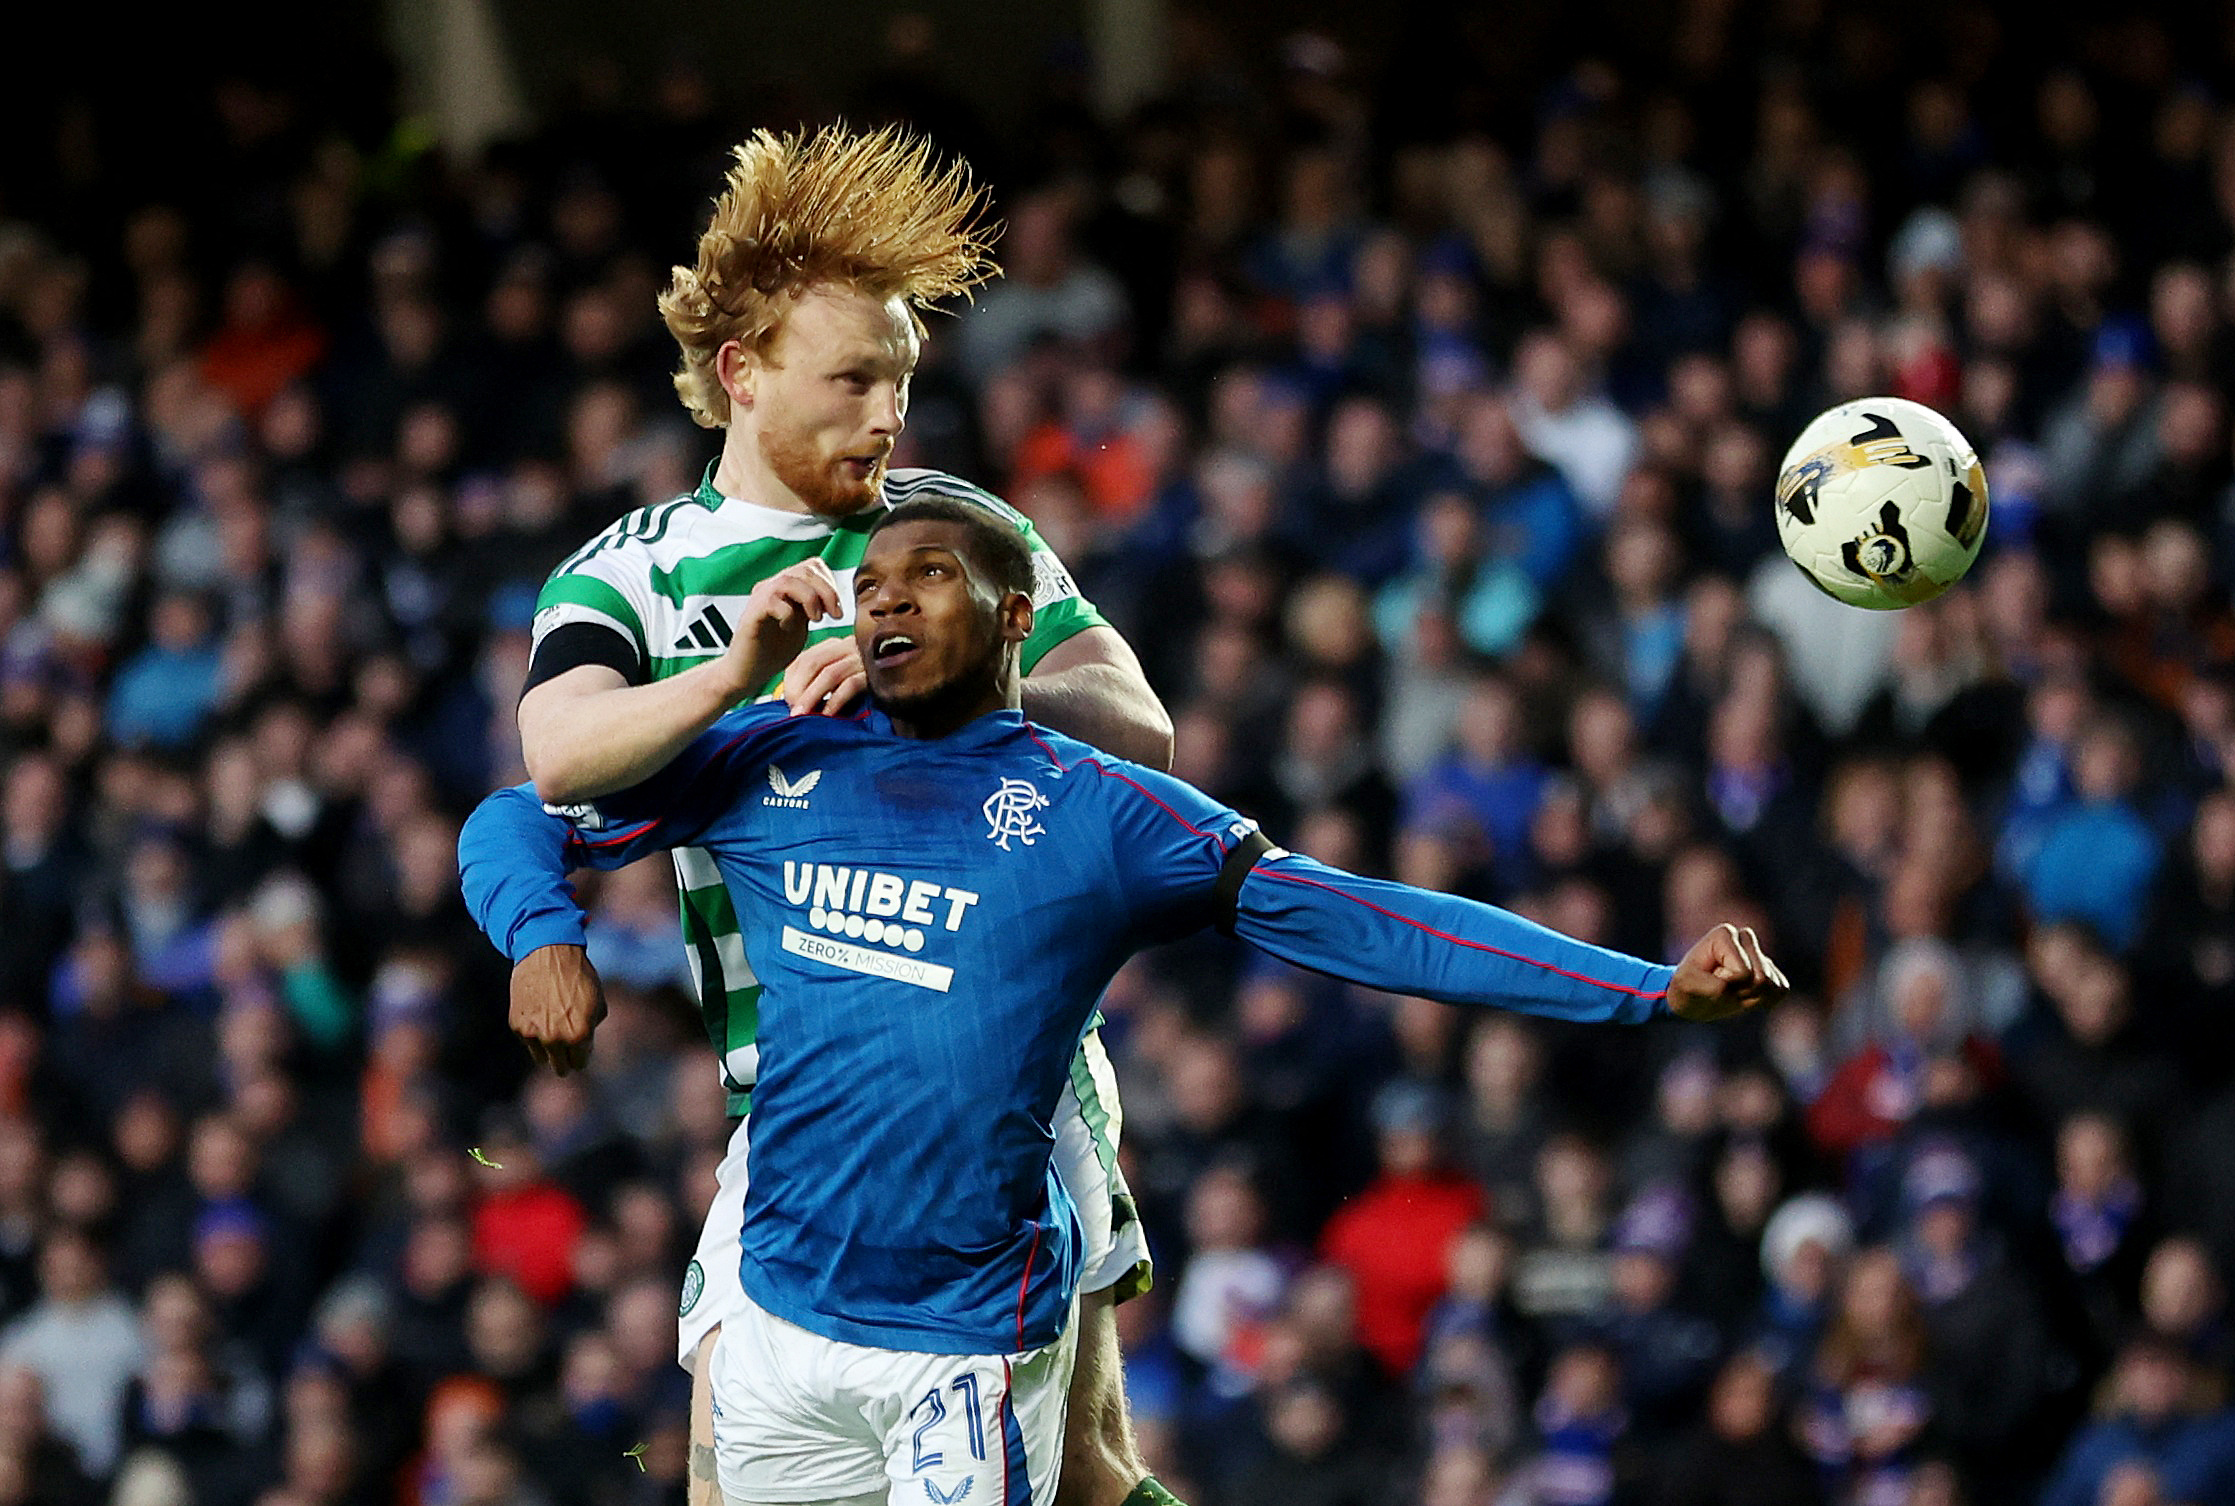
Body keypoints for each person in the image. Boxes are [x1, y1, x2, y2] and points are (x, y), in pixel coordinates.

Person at [459, 499, 1789, 1506]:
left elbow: (1371, 919)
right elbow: (514, 820)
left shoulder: (1104, 814)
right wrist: (539, 937)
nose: (885, 604)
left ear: (1015, 612)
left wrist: (1647, 991)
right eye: (868, 587)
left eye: (929, 574)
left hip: (964, 1344)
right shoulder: (773, 755)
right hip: (777, 1309)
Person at [511, 124, 1174, 1506]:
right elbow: (559, 754)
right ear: (742, 374)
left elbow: (1135, 719)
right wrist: (735, 680)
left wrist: (912, 697)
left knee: (1087, 1473)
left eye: (903, 380)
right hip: (790, 1097)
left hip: (999, 1077)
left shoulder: (949, 529)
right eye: (855, 378)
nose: (890, 417)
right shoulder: (627, 577)